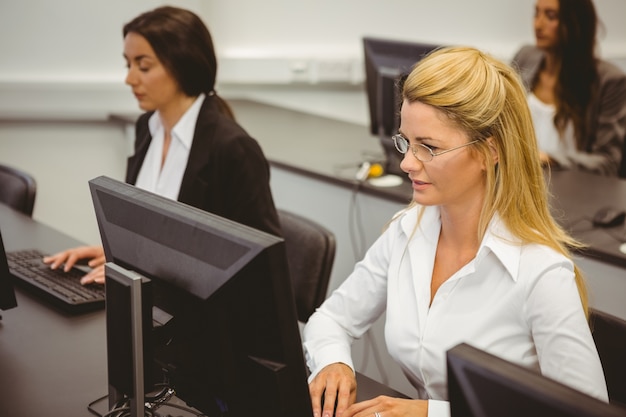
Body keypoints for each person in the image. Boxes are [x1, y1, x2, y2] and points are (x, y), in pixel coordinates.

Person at [303, 46, 608, 417]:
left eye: (428, 148)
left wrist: (434, 413)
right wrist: (333, 362)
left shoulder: (540, 274)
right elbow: (331, 318)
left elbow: (584, 414)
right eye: (405, 141)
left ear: (488, 152)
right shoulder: (409, 230)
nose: (406, 162)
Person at [43, 6, 281, 284]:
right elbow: (153, 238)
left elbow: (257, 269)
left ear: (183, 64)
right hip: (154, 304)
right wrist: (117, 258)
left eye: (143, 66)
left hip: (202, 319)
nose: (130, 78)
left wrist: (148, 275)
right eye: (128, 64)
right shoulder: (147, 127)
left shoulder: (233, 148)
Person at [512, 0, 626, 175]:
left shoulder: (609, 81)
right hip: (519, 178)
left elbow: (608, 161)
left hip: (572, 189)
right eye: (536, 13)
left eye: (551, 16)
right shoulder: (525, 57)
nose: (538, 24)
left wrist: (550, 159)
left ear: (574, 23)